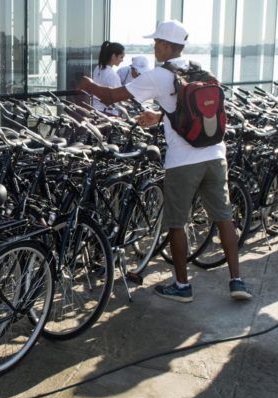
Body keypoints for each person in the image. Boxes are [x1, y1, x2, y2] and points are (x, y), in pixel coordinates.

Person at [77, 19, 253, 302]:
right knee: (224, 218)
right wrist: (159, 117)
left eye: (157, 42)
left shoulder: (160, 75)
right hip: (215, 154)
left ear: (168, 45)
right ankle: (237, 281)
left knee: (176, 223)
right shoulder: (201, 69)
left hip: (184, 160)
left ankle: (182, 286)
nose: (154, 46)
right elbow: (195, 108)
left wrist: (87, 84)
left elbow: (111, 97)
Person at [91, 41, 125, 113]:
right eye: (121, 57)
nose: (122, 60)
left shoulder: (98, 68)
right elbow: (118, 97)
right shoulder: (112, 75)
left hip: (96, 110)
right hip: (108, 113)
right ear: (113, 56)